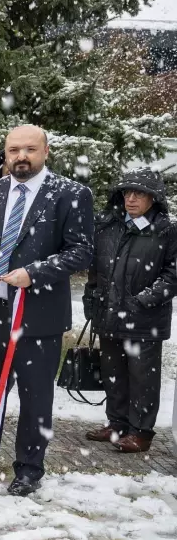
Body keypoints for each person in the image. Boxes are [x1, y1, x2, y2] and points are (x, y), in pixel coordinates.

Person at [0, 125, 94, 496]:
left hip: (39, 314)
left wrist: (34, 273)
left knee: (36, 396)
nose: (21, 156)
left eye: (30, 149)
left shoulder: (70, 194)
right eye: (14, 149)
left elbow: (81, 251)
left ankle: (29, 469)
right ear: (4, 152)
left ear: (46, 151)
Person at [83, 171, 177, 454]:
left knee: (142, 377)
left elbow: (173, 274)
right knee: (113, 372)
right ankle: (118, 423)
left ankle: (141, 431)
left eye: (139, 193)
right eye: (127, 193)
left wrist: (144, 300)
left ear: (154, 198)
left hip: (145, 318)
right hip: (109, 313)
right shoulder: (108, 226)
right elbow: (96, 268)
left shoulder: (166, 230)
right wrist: (92, 297)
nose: (131, 199)